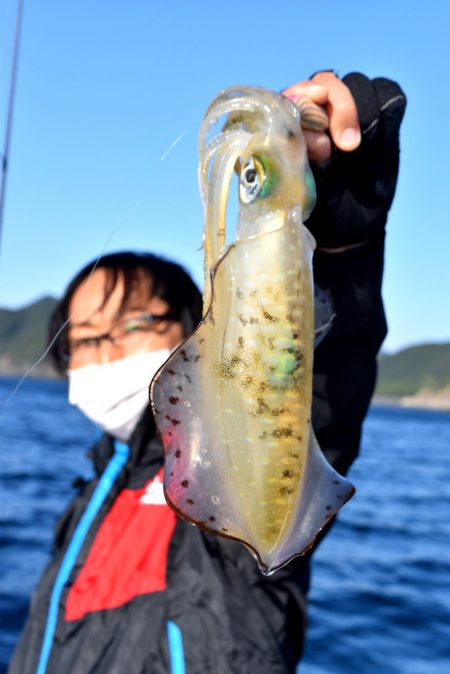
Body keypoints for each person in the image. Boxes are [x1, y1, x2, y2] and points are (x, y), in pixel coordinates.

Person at [9, 71, 406, 674]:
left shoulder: (217, 479)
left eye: (133, 324)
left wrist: (342, 235)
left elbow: (316, 386)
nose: (108, 349)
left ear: (193, 324)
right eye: (85, 339)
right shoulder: (92, 492)